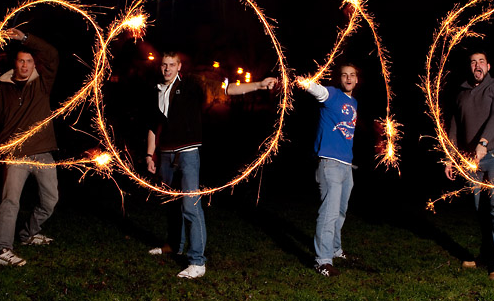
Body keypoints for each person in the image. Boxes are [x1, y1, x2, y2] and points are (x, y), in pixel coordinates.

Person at [145, 50, 276, 279]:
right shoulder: (157, 90)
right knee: (172, 202)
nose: (167, 69)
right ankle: (174, 245)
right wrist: (149, 155)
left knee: (190, 205)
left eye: (171, 64)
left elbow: (228, 89)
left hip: (187, 154)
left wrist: (258, 85)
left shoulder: (193, 85)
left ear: (179, 67)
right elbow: (153, 125)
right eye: (164, 65)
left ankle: (197, 261)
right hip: (165, 154)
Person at [0, 28, 60, 266]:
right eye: (21, 61)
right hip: (14, 155)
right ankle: (2, 249)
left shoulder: (42, 85)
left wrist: (26, 38)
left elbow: (52, 54)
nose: (25, 65)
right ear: (15, 63)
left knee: (50, 201)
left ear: (35, 65)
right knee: (10, 202)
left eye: (29, 61)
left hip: (43, 153)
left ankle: (28, 233)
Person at [445, 50, 494, 281]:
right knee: (480, 209)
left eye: (481, 62)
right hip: (473, 160)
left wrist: (483, 142)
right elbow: (454, 126)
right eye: (473, 62)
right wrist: (450, 156)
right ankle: (487, 256)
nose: (477, 65)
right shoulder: (462, 93)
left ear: (488, 66)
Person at [301, 64, 358, 277]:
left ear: (357, 80)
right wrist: (307, 83)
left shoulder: (354, 102)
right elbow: (319, 91)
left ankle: (335, 250)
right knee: (329, 212)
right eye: (344, 75)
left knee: (340, 211)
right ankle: (323, 261)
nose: (348, 78)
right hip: (330, 164)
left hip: (346, 165)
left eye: (352, 75)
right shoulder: (333, 95)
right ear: (339, 79)